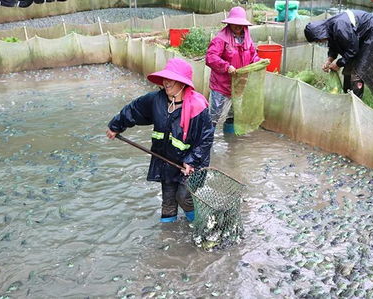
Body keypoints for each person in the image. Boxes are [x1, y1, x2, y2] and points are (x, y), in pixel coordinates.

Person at [106, 58, 214, 223]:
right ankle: (168, 237)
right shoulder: (156, 100)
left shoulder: (198, 107)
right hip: (167, 160)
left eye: (171, 79)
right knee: (169, 200)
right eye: (165, 78)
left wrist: (192, 160)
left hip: (192, 164)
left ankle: (199, 224)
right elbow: (134, 110)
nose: (166, 82)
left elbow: (206, 139)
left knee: (184, 196)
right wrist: (116, 126)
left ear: (182, 83)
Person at [304, 10, 373, 99]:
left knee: (358, 69)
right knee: (348, 66)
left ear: (319, 33)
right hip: (359, 37)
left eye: (318, 40)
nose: (320, 42)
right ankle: (347, 96)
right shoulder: (330, 28)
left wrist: (338, 64)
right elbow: (334, 46)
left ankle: (356, 101)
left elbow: (352, 50)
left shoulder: (340, 27)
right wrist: (329, 60)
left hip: (372, 33)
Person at [205, 6, 260, 133]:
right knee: (214, 115)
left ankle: (231, 143)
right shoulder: (221, 39)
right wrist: (226, 66)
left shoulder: (247, 38)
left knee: (234, 114)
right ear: (229, 23)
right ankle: (207, 141)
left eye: (240, 24)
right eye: (234, 23)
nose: (237, 26)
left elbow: (253, 55)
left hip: (239, 84)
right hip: (221, 84)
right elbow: (210, 57)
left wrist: (259, 62)